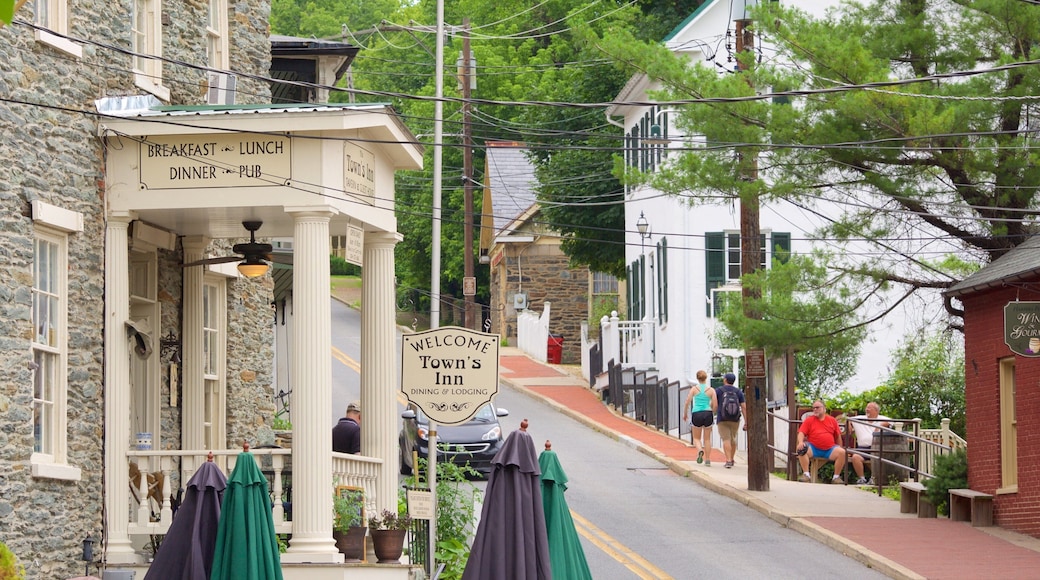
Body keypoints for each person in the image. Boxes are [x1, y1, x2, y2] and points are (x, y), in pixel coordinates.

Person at [796, 400, 846, 483]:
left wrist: (839, 446)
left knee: (842, 452)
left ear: (824, 409)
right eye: (813, 408)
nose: (815, 409)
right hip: (813, 448)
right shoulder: (809, 420)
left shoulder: (832, 420)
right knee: (801, 449)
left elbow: (838, 436)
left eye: (817, 407)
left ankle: (836, 477)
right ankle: (806, 474)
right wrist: (800, 442)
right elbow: (801, 433)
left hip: (830, 449)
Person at [848, 401, 892, 485]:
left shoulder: (882, 418)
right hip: (862, 449)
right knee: (855, 457)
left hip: (876, 448)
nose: (867, 409)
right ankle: (862, 479)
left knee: (879, 458)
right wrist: (849, 424)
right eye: (866, 408)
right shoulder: (860, 418)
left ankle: (874, 478)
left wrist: (881, 425)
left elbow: (893, 422)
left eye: (869, 408)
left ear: (876, 411)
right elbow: (847, 419)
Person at [681, 370, 717, 466]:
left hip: (696, 413)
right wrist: (712, 412)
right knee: (707, 439)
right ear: (706, 378)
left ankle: (700, 450)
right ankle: (708, 460)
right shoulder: (711, 390)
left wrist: (685, 414)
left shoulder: (694, 389)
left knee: (696, 438)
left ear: (697, 378)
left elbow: (687, 402)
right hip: (708, 412)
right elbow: (715, 404)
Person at [714, 372, 746, 469]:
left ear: (725, 380)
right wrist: (746, 421)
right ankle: (732, 459)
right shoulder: (738, 392)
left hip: (722, 418)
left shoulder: (719, 390)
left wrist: (712, 412)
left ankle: (728, 460)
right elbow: (743, 407)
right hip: (735, 419)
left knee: (726, 439)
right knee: (733, 438)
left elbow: (714, 404)